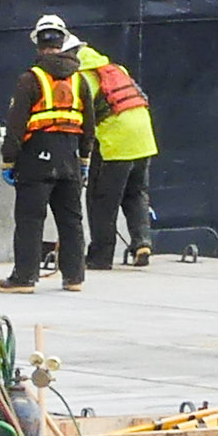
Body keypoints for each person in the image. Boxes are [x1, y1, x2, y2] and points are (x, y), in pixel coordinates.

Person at [1, 12, 93, 293]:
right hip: (69, 157)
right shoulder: (80, 81)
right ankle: (74, 277)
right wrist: (84, 160)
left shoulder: (30, 79)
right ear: (63, 42)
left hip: (36, 158)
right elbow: (89, 126)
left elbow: (16, 125)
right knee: (71, 219)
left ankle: (24, 278)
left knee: (30, 218)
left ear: (38, 45)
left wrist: (8, 160)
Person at [75, 32, 159, 271]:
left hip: (115, 143)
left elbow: (78, 116)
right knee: (135, 192)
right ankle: (142, 242)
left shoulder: (81, 79)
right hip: (143, 138)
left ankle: (100, 257)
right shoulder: (115, 69)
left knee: (101, 199)